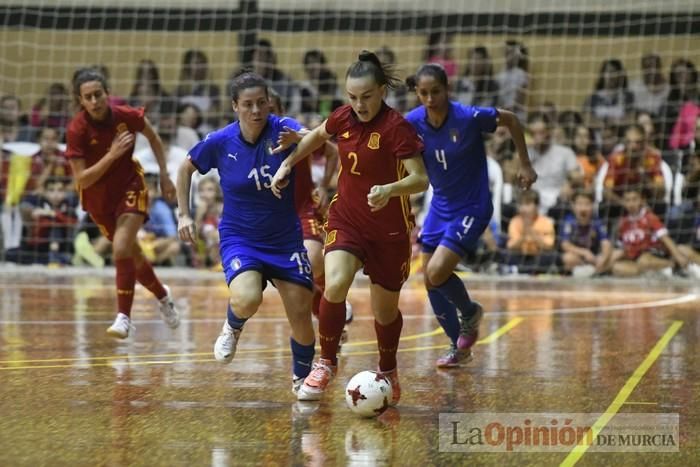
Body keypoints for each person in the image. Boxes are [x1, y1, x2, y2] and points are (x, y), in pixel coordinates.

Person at [270, 51, 429, 404]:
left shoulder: (397, 128)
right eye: (352, 97)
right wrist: (288, 164)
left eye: (366, 97)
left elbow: (420, 179)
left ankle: (388, 368)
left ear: (382, 92)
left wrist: (390, 190)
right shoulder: (343, 117)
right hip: (348, 219)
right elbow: (313, 138)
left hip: (389, 230)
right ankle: (326, 363)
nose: (358, 105)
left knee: (384, 311)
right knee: (336, 282)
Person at [176, 71, 316, 396]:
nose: (256, 111)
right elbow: (185, 168)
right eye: (248, 104)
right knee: (247, 298)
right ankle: (232, 326)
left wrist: (301, 141)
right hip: (242, 238)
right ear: (235, 107)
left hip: (284, 239)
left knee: (301, 313)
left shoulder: (283, 128)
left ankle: (301, 380)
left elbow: (318, 135)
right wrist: (183, 213)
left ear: (270, 103)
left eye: (262, 103)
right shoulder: (221, 141)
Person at [404, 63, 537, 367]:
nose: (429, 99)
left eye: (435, 91)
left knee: (437, 273)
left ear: (447, 89)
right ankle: (459, 348)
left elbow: (513, 121)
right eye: (423, 93)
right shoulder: (411, 121)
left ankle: (470, 311)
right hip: (439, 206)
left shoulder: (468, 116)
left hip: (472, 207)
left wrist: (525, 164)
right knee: (429, 279)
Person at [65, 67, 181, 338]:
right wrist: (113, 153)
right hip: (97, 199)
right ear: (80, 101)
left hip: (130, 187)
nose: (94, 101)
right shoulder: (77, 130)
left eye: (98, 94)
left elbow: (153, 137)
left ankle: (124, 317)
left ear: (107, 93)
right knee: (134, 256)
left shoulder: (125, 116)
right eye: (88, 97)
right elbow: (81, 179)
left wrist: (164, 176)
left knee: (120, 247)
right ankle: (164, 298)